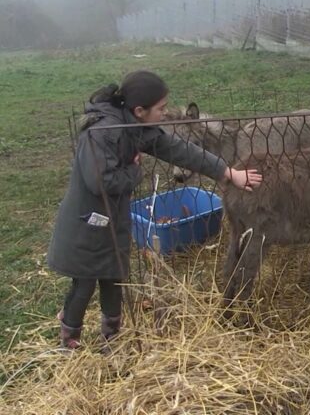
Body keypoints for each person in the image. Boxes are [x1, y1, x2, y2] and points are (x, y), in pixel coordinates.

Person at [47, 70, 262, 350]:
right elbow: (101, 181)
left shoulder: (136, 128)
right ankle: (68, 340)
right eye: (160, 108)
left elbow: (181, 150)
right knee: (85, 281)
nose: (164, 113)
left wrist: (227, 172)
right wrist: (135, 171)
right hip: (86, 222)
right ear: (140, 110)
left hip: (112, 218)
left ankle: (111, 338)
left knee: (115, 275)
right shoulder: (102, 133)